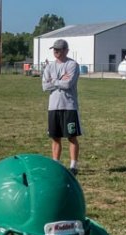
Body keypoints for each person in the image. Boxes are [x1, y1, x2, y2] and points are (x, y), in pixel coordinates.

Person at [42, 39, 82, 176]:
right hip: (53, 106)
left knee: (71, 136)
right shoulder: (49, 67)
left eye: (59, 50)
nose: (56, 52)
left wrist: (53, 81)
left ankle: (73, 165)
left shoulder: (72, 65)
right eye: (54, 50)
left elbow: (68, 84)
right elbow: (44, 86)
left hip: (69, 106)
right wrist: (58, 81)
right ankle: (56, 164)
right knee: (55, 137)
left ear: (66, 50)